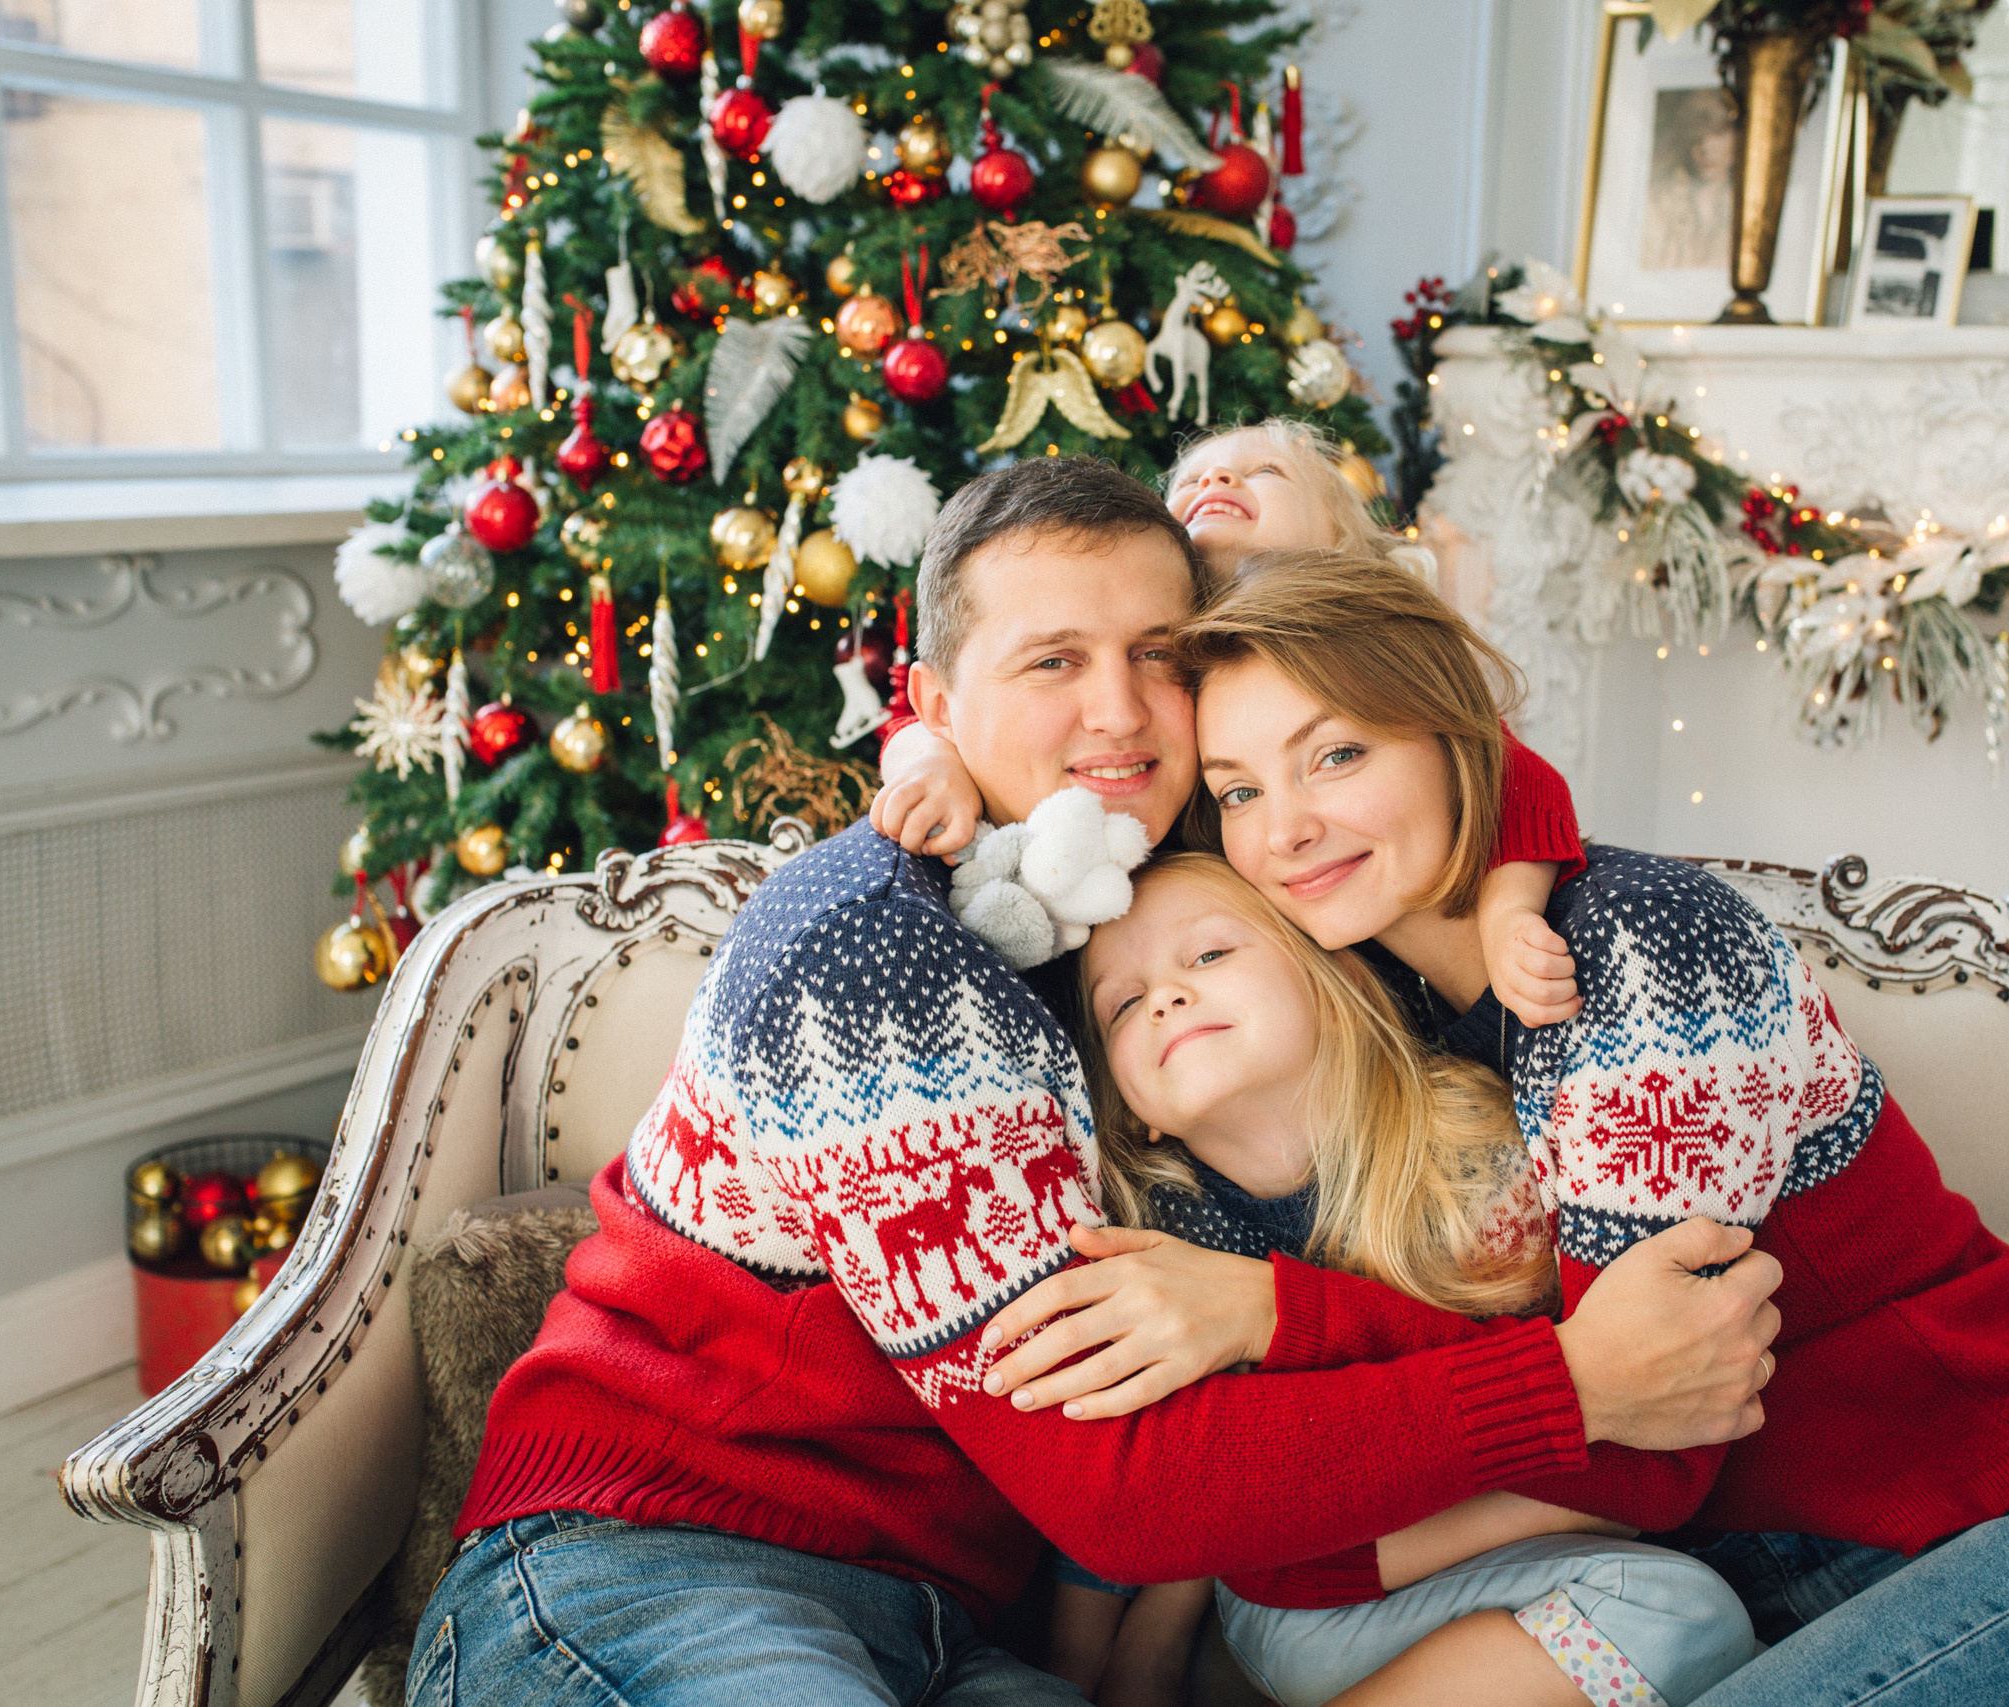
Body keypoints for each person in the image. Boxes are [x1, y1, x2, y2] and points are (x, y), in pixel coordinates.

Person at [406, 460, 1787, 1707]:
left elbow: (1449, 755)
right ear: (936, 703)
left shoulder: (1191, 884)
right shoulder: (879, 946)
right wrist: (1569, 1381)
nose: (1120, 710)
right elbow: (1123, 1487)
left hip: (951, 1624)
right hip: (662, 1559)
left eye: (1159, 656)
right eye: (1054, 660)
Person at [1117, 546, 2009, 1704]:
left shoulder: (1643, 950)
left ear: (1452, 741)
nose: (1286, 829)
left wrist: (1298, 1516)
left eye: (1338, 754)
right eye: (1240, 790)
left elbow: (1646, 1435)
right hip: (1787, 1622)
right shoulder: (1372, 1012)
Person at [1056, 851, 1759, 1707]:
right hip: (1301, 1607)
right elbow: (1155, 1484)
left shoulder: (1478, 1167)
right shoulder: (1164, 1237)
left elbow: (1614, 1464)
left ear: (1333, 979)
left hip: (1464, 1555)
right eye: (1125, 1003)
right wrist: (1116, 1656)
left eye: (1209, 955)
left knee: (1686, 1617)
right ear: (1130, 1110)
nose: (1165, 995)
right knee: (1685, 1618)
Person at [873, 418, 1586, 1031]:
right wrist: (927, 758)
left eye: (1265, 470)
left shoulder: (1371, 651)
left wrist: (1508, 912)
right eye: (1191, 480)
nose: (1216, 480)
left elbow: (1514, 774)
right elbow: (938, 703)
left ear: (1340, 539)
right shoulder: (1189, 673)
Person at [1641, 89, 1737, 273]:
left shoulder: (1746, 212)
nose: (1706, 148)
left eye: (1718, 133)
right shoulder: (1657, 206)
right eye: (1697, 137)